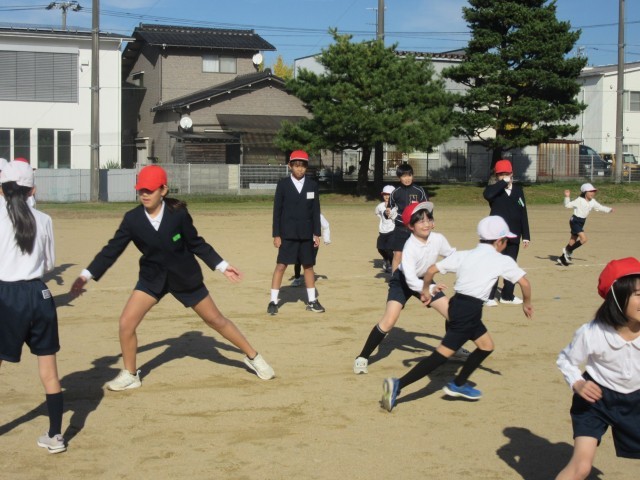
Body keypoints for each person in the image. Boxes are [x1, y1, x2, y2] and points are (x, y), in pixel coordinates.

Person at [70, 165, 275, 391]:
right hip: (152, 278)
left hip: (184, 277)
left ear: (163, 190)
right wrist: (86, 275)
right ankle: (130, 374)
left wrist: (222, 265)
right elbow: (112, 249)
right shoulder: (132, 219)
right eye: (141, 190)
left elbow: (196, 243)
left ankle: (253, 357)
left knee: (216, 320)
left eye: (150, 190)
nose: (144, 195)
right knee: (126, 323)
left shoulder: (178, 214)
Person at [380, 215, 533, 412]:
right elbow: (525, 284)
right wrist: (527, 303)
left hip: (458, 305)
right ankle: (398, 384)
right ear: (499, 242)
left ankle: (459, 383)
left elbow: (431, 270)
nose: (506, 245)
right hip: (468, 313)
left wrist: (425, 290)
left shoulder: (465, 254)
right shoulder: (502, 260)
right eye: (506, 241)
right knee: (440, 356)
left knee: (486, 346)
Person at [354, 202, 469, 375]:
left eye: (429, 219)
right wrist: (429, 289)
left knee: (452, 314)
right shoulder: (409, 247)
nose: (426, 224)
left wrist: (468, 264)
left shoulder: (437, 239)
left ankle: (453, 348)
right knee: (389, 321)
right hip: (402, 282)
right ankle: (362, 357)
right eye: (421, 221)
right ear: (410, 226)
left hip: (424, 279)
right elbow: (410, 279)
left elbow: (452, 255)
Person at [0, 160, 66, 453]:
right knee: (49, 371)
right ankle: (56, 435)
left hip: (6, 294)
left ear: (2, 189)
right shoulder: (45, 219)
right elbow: (49, 264)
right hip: (40, 295)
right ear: (33, 190)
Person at [555, 257, 640, 479]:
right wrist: (578, 383)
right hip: (595, 399)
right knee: (581, 467)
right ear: (616, 297)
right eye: (638, 294)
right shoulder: (593, 332)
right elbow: (566, 360)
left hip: (636, 400)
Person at [268, 150, 324, 315]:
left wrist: (316, 233)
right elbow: (277, 211)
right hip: (287, 234)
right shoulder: (283, 184)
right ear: (290, 166)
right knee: (281, 266)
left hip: (306, 234)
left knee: (308, 266)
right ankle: (273, 301)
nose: (300, 169)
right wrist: (276, 234)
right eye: (296, 165)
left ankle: (312, 301)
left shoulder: (312, 185)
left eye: (303, 166)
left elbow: (315, 211)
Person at [483, 159, 530, 306]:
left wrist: (526, 235)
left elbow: (523, 213)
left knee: (511, 265)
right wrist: (503, 183)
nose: (504, 176)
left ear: (512, 173)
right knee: (495, 265)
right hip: (497, 236)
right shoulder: (494, 190)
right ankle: (489, 297)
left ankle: (507, 295)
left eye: (506, 174)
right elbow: (487, 195)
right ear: (497, 176)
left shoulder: (518, 190)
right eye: (500, 174)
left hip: (514, 234)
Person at [557, 183, 613, 266]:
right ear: (585, 192)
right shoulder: (579, 200)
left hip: (582, 222)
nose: (592, 193)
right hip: (575, 221)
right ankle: (568, 250)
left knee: (573, 240)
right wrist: (567, 196)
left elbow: (600, 207)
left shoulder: (592, 201)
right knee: (584, 239)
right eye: (590, 191)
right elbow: (567, 205)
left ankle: (562, 258)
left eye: (594, 191)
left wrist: (609, 209)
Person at [388, 163, 429, 272]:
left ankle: (418, 276)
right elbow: (389, 209)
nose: (407, 179)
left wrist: (427, 222)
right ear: (399, 178)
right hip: (400, 228)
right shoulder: (395, 193)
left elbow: (427, 208)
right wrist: (387, 213)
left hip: (416, 229)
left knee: (418, 255)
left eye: (409, 175)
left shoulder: (419, 190)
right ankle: (395, 278)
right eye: (404, 176)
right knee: (398, 254)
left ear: (412, 176)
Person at [291, 213, 330, 287]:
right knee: (298, 260)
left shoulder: (318, 216)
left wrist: (326, 239)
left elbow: (326, 226)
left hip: (313, 242)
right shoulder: (299, 214)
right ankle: (297, 278)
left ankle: (309, 280)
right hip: (301, 240)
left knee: (309, 262)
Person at [375, 185, 397, 273]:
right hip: (383, 231)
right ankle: (386, 259)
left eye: (389, 195)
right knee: (380, 248)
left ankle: (392, 264)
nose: (387, 196)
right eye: (385, 194)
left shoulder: (396, 207)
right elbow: (377, 213)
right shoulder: (380, 206)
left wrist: (391, 214)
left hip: (393, 230)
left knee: (389, 249)